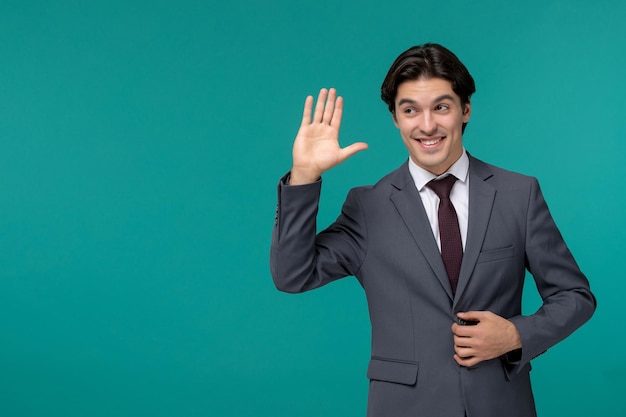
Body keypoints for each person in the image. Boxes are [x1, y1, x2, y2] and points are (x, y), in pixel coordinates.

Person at [269, 43, 596, 417]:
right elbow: (292, 275)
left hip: (500, 404)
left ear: (465, 110)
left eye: (441, 107)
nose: (427, 125)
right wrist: (304, 177)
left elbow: (575, 295)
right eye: (410, 110)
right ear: (395, 118)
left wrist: (516, 335)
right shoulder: (367, 207)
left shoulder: (518, 195)